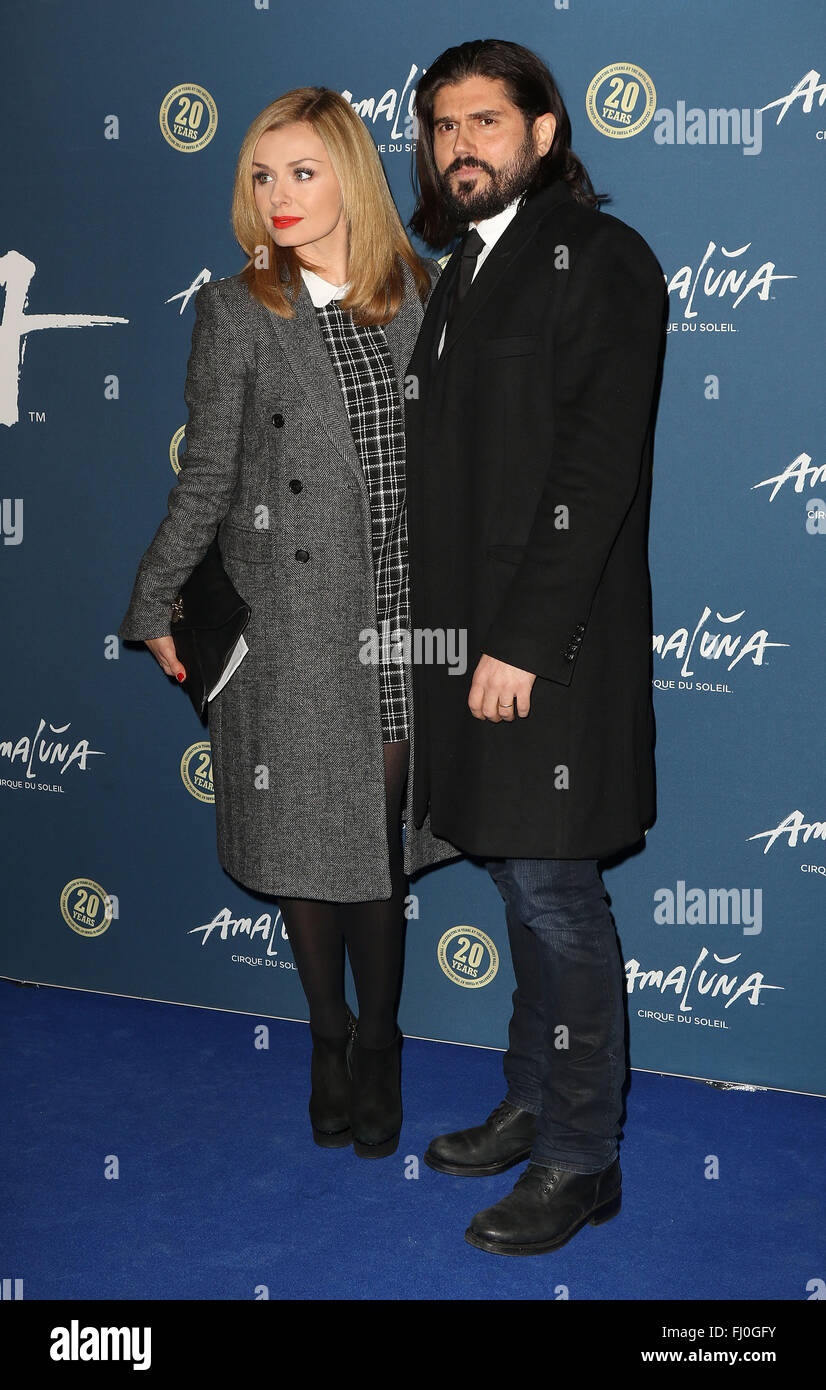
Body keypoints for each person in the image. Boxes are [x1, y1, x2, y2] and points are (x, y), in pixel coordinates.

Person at [118, 87, 459, 1160]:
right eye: (261, 176)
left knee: (377, 844)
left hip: (405, 617)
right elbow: (208, 476)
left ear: (350, 176)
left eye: (301, 172)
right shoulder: (234, 310)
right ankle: (328, 1034)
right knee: (308, 851)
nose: (277, 195)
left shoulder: (427, 293)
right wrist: (151, 599)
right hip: (292, 618)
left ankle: (384, 1041)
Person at [404, 40, 667, 1253]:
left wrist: (516, 643)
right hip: (468, 648)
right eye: (444, 125)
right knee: (517, 881)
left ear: (545, 134)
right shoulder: (462, 268)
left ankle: (580, 1156)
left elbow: (594, 467)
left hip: (541, 655)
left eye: (487, 122)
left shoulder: (600, 262)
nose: (462, 144)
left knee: (558, 898)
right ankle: (530, 1096)